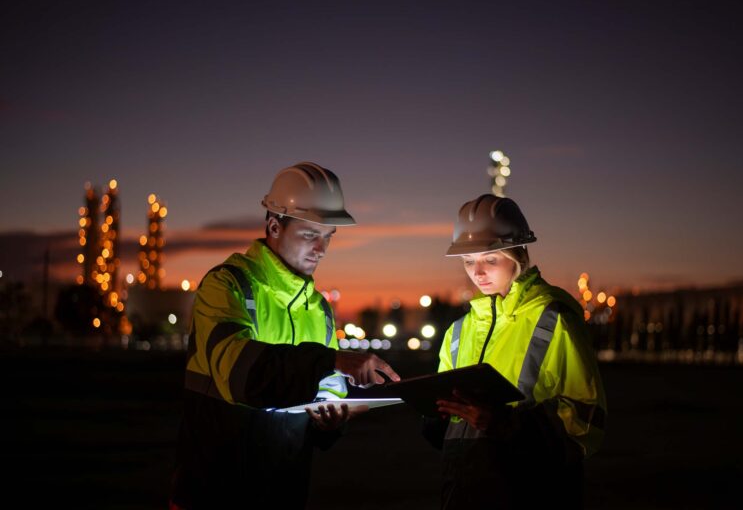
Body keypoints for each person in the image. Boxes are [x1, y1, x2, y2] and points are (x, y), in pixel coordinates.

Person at [170, 162, 400, 509]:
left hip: (284, 491)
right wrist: (332, 360)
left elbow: (325, 396)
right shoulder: (227, 286)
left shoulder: (319, 310)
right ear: (274, 226)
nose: (321, 249)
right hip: (213, 490)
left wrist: (331, 422)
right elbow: (241, 376)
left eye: (328, 237)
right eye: (310, 235)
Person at [424, 194, 607, 509]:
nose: (477, 272)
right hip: (462, 493)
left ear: (519, 253)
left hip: (533, 492)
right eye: (468, 261)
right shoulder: (458, 332)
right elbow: (447, 423)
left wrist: (504, 423)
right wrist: (435, 415)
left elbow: (585, 421)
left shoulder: (554, 319)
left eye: (490, 259)